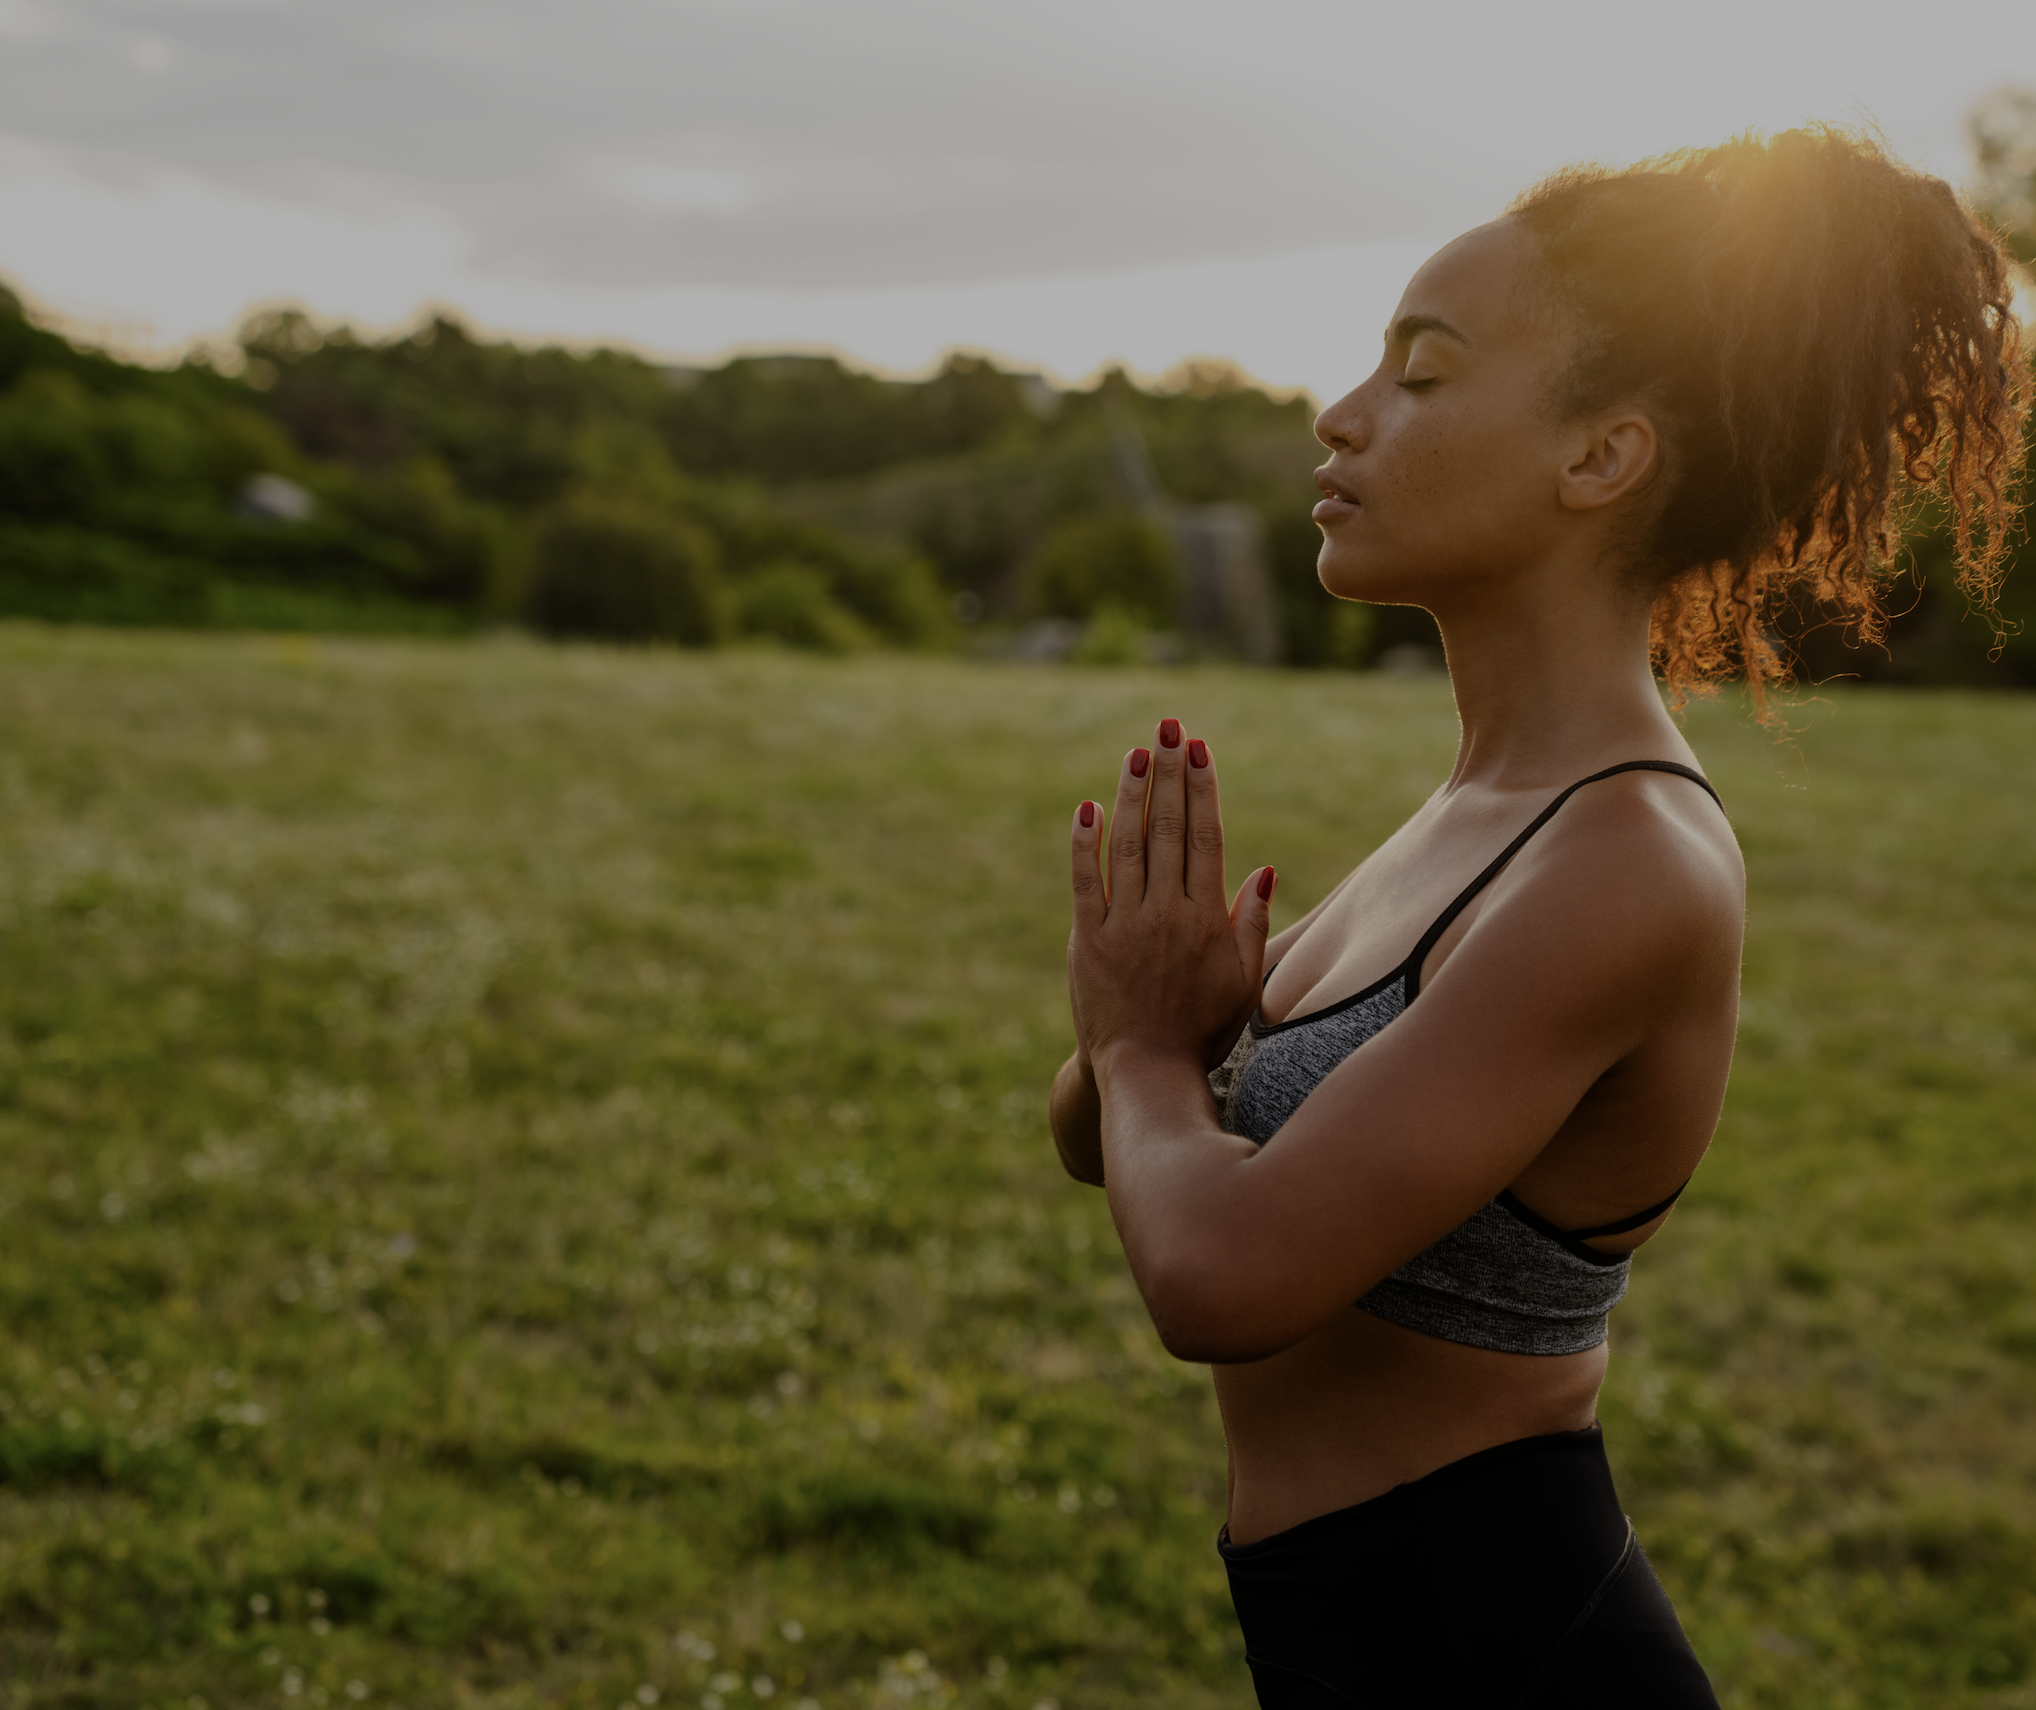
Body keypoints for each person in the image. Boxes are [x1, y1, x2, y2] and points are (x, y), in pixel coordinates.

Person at [1049, 127, 2026, 1708]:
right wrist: (1164, 1033)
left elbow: (1220, 1273)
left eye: (1422, 377)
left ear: (1601, 456)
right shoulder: (1474, 813)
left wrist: (1151, 1049)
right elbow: (1111, 1134)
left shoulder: (1626, 860)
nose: (1342, 414)